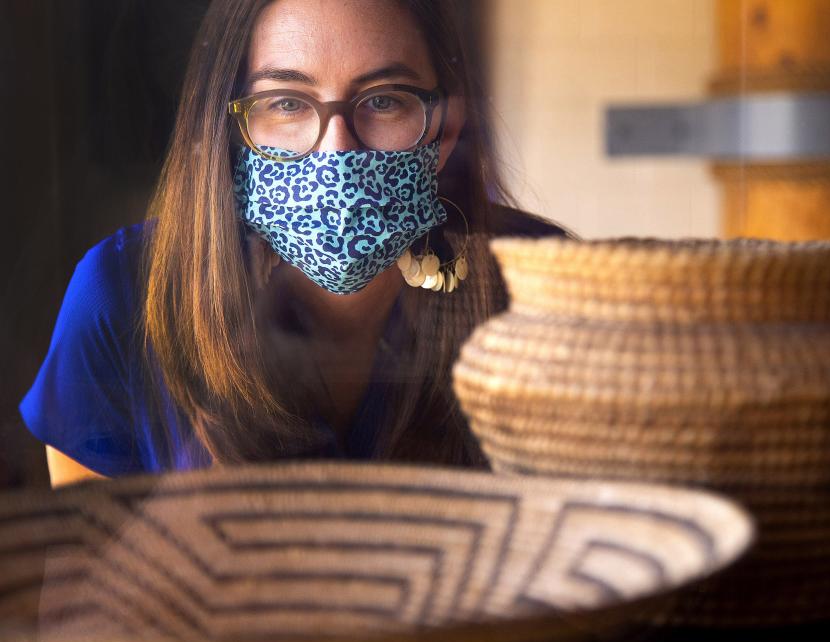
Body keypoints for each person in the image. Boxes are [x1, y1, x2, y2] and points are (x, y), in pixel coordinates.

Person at [19, 0, 570, 487]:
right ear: (230, 131)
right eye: (286, 103)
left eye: (384, 101)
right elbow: (88, 585)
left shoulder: (547, 286)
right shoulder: (124, 294)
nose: (336, 154)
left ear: (446, 130)